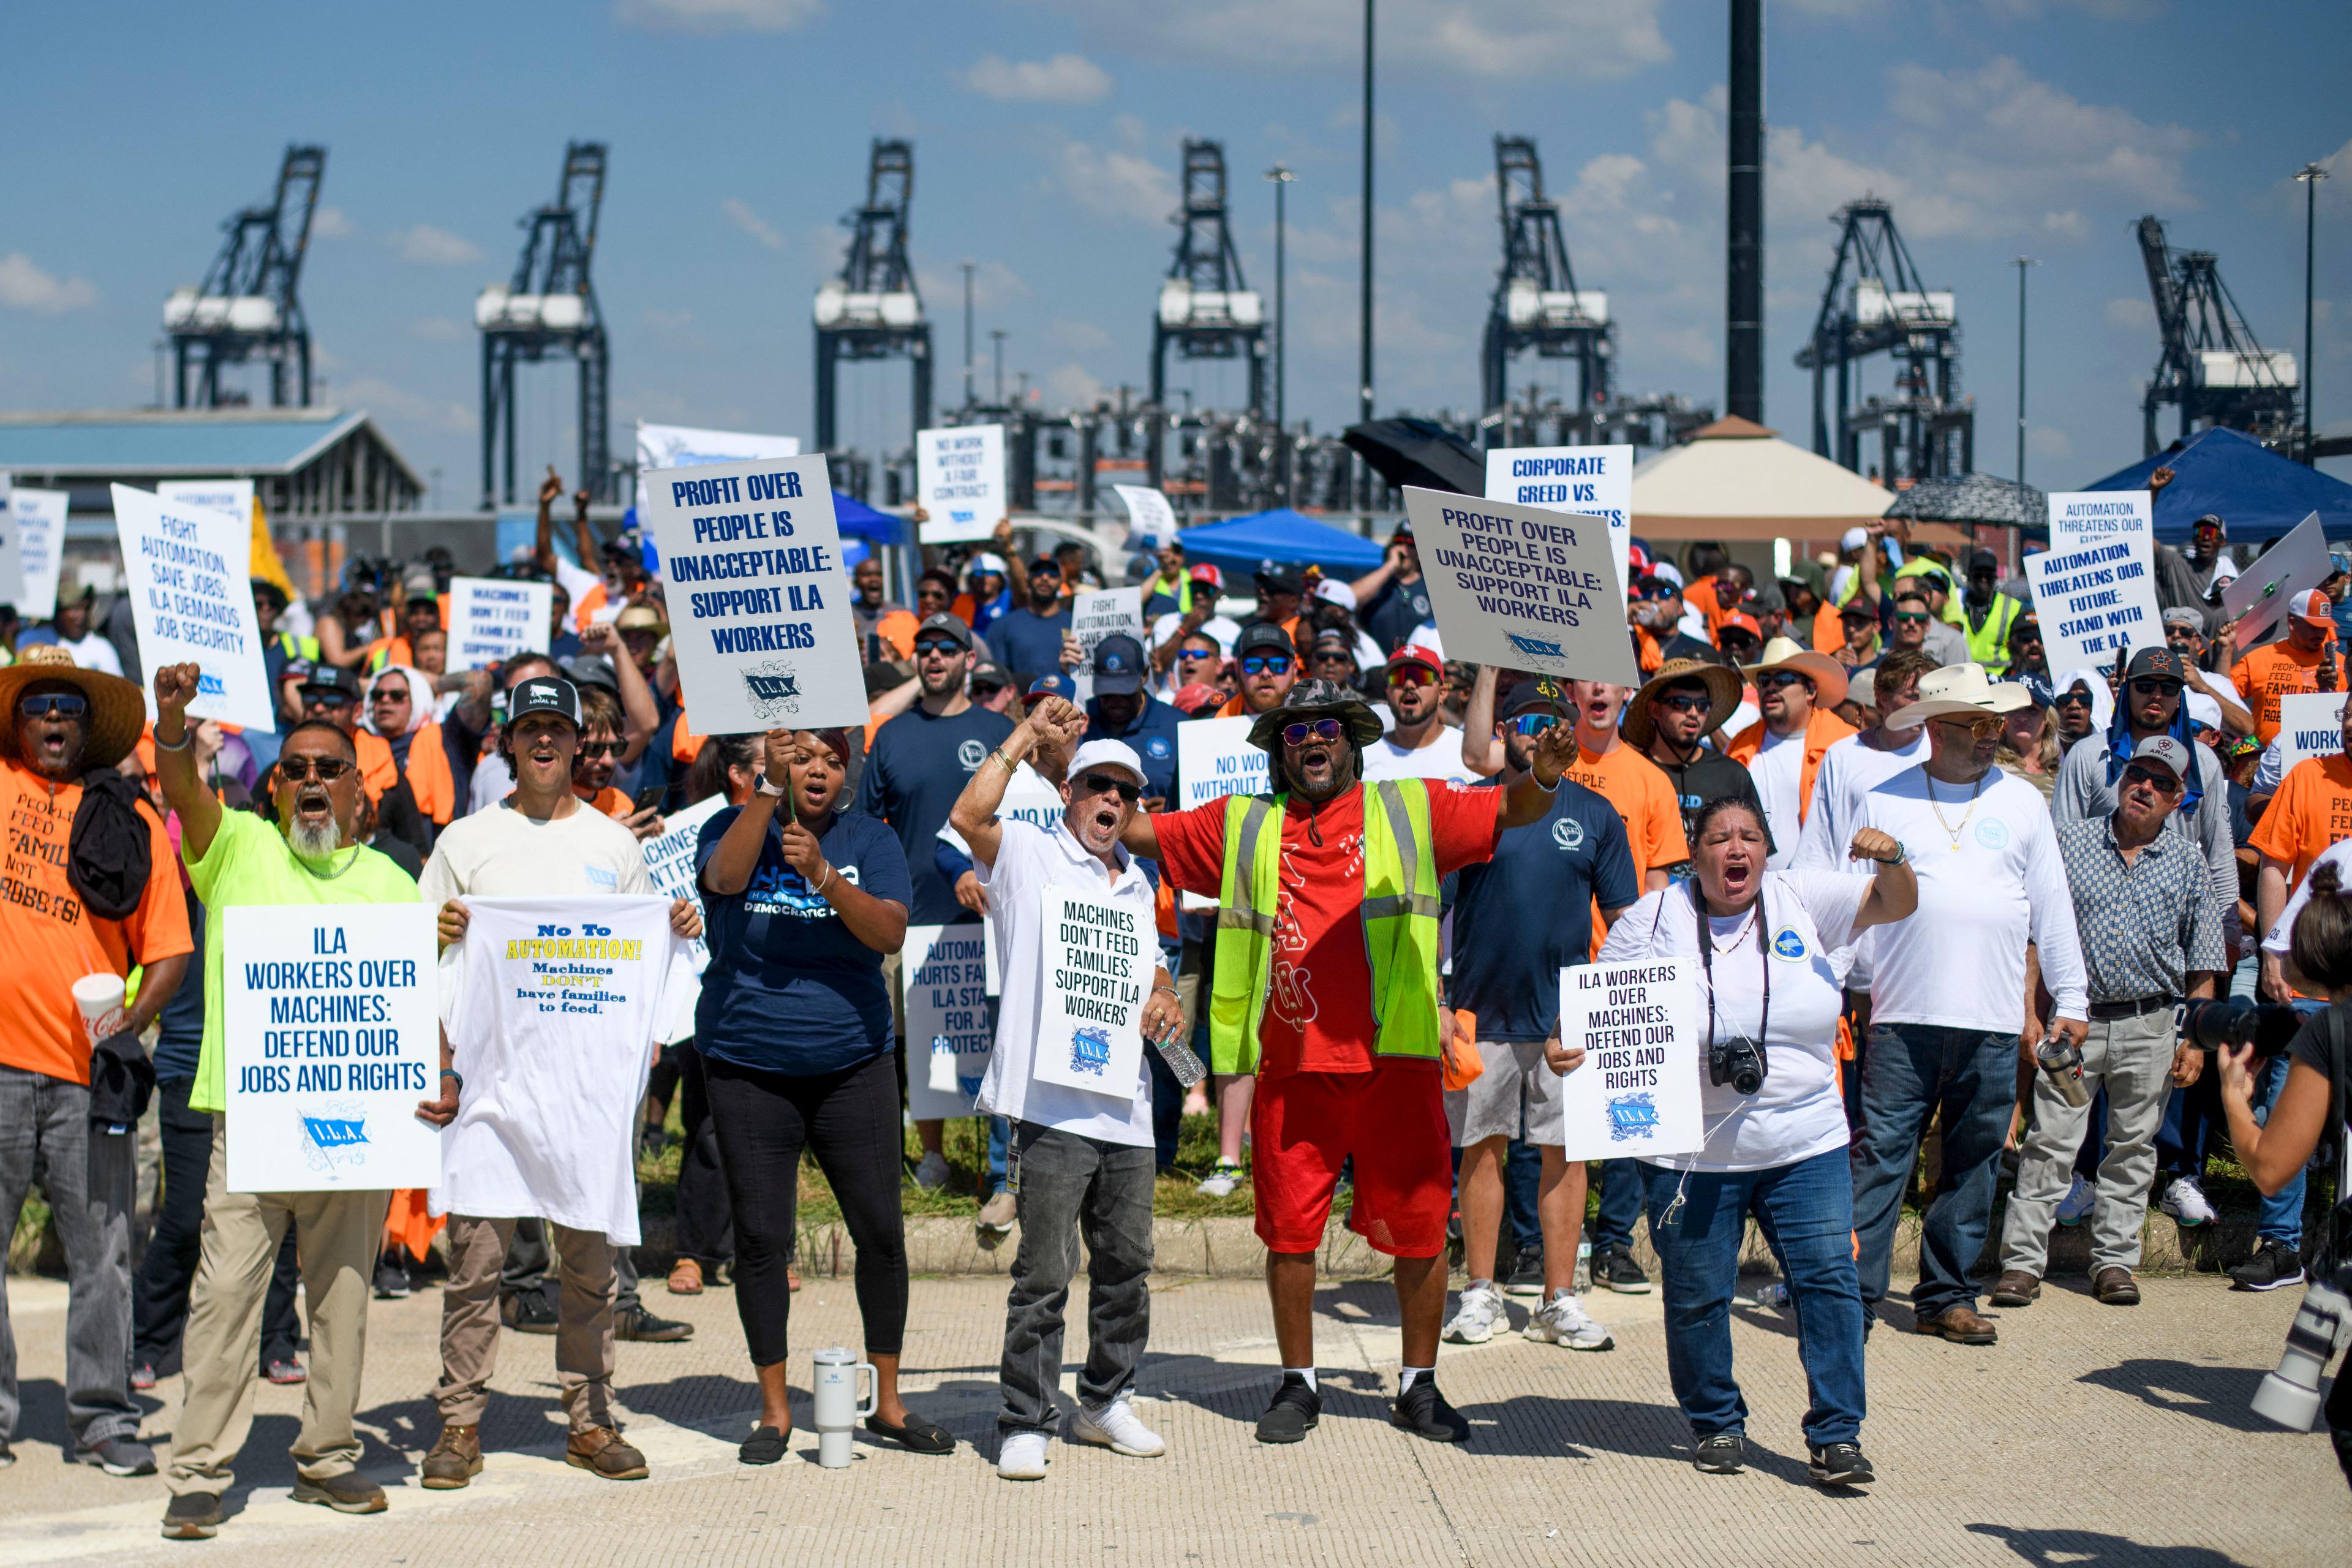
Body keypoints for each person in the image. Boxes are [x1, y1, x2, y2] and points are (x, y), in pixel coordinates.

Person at [1125, 679, 1577, 1446]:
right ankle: (1298, 1383)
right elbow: (1137, 835)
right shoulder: (1243, 822)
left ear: (1353, 739)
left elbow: (1513, 811)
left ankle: (1417, 1385)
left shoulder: (1409, 806)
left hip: (1395, 1064)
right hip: (1292, 1068)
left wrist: (1544, 776)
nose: (1312, 740)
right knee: (1290, 1234)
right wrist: (1060, 765)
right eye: (1296, 731)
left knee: (1423, 1229)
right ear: (1279, 750)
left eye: (1328, 726)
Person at [152, 662, 424, 1540]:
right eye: (297, 770)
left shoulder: (393, 882)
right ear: (274, 791)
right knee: (226, 1294)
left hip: (356, 1129)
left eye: (329, 769)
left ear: (359, 793)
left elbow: (414, 1003)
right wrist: (169, 724)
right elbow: (185, 795)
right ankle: (198, 1472)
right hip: (254, 1122)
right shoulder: (234, 846)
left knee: (341, 1299)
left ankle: (329, 1458)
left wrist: (433, 1079)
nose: (312, 780)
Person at [410, 676, 704, 1490]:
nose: (544, 741)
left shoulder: (615, 848)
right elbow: (412, 962)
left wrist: (677, 928)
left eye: (558, 729)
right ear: (508, 741)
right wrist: (434, 943)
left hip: (585, 1097)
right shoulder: (464, 843)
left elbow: (647, 961)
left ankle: (589, 1417)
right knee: (475, 1266)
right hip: (492, 1091)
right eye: (528, 728)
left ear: (581, 743)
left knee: (588, 1266)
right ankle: (459, 1423)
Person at [1586, 796, 1916, 1485]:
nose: (1735, 849)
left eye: (1749, 837)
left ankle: (1836, 1435)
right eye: (1718, 838)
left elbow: (1896, 902)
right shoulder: (1653, 918)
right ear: (1693, 851)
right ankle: (1715, 1423)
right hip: (1692, 1154)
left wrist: (1893, 857)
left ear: (1767, 850)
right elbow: (1600, 1025)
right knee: (1698, 1294)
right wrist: (1569, 1052)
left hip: (1807, 1139)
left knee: (1829, 1283)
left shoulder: (1802, 896)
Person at [698, 726, 953, 1464]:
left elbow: (889, 933)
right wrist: (769, 799)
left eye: (833, 760)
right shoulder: (730, 823)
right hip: (749, 1063)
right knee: (760, 1237)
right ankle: (775, 1411)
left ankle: (890, 1400)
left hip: (852, 1063)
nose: (819, 769)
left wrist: (824, 878)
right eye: (803, 755)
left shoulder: (869, 838)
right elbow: (723, 881)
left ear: (852, 772)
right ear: (776, 764)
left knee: (880, 1231)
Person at [949, 712, 1180, 1479]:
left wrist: (1165, 993)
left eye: (1126, 792)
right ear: (1070, 792)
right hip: (1051, 1107)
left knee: (1127, 1267)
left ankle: (1104, 1401)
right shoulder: (1027, 851)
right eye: (1098, 785)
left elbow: (1151, 966)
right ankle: (1026, 1417)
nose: (1112, 799)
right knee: (1045, 1272)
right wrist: (1021, 736)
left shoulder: (1138, 882)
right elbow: (967, 817)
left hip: (1128, 1106)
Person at [1847, 663, 2089, 1346]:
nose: (1994, 733)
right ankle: (1855, 1299)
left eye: (1995, 722)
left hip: (1990, 1020)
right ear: (1934, 729)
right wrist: (1830, 988)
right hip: (1901, 1017)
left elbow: (2052, 906)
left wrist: (2071, 996)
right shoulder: (1883, 796)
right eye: (1978, 723)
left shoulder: (2022, 801)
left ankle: (1945, 1295)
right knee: (1882, 1161)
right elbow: (1844, 904)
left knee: (1975, 1161)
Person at [0, 649, 192, 1477]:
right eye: (38, 704)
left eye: (68, 707)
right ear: (17, 720)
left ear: (86, 726)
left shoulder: (132, 816)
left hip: (91, 1073)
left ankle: (105, 1416)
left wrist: (129, 1026)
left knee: (104, 1251)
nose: (52, 718)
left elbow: (171, 949)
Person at [1441, 684, 1638, 1352]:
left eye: (1554, 721)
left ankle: (1559, 1300)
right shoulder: (1474, 804)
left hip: (1566, 1020)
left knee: (1565, 1155)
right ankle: (1479, 1292)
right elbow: (1429, 911)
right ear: (1503, 730)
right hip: (1479, 1010)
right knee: (1481, 1151)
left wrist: (1602, 1007)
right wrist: (1439, 1003)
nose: (1541, 733)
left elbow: (1626, 923)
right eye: (1527, 722)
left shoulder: (1597, 812)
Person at [1992, 736, 2222, 1311]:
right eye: (2137, 774)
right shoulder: (2069, 843)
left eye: (2161, 782)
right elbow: (2033, 937)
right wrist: (2028, 1012)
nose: (2145, 787)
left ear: (2178, 800)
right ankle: (2021, 1264)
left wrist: (2193, 1037)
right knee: (2050, 1142)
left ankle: (2115, 1261)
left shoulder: (2190, 861)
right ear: (2120, 779)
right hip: (2074, 1024)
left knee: (2133, 1147)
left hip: (2151, 1023)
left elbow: (2203, 959)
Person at [856, 611, 1017, 1190]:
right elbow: (868, 821)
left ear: (969, 660)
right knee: (924, 1037)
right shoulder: (893, 736)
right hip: (913, 912)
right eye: (925, 648)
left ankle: (1004, 1160)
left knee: (997, 1036)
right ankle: (933, 1153)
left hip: (993, 910)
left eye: (947, 649)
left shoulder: (998, 729)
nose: (933, 658)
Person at [1189, 622, 1300, 1197]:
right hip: (1230, 905)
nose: (1265, 673)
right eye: (1253, 663)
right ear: (1236, 670)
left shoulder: (1315, 726)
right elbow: (1203, 818)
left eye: (1276, 663)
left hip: (1303, 901)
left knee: (1296, 1027)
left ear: (1294, 669)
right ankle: (1227, 1156)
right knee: (1228, 1023)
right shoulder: (1212, 733)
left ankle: (1283, 1152)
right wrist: (1203, 885)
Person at [2054, 646, 2240, 959]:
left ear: (2179, 697)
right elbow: (2060, 852)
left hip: (2177, 932)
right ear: (2127, 689)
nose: (2156, 696)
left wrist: (2229, 930)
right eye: (2145, 686)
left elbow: (2219, 854)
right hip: (2098, 929)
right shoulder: (2087, 756)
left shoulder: (2204, 762)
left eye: (2168, 688)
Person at [1622, 658, 1763, 872]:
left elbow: (1758, 851)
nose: (1693, 713)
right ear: (1655, 710)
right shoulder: (1632, 773)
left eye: (1703, 705)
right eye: (1681, 703)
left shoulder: (1733, 775)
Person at [1726, 639, 1855, 870]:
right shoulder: (1739, 746)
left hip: (1820, 891)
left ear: (1811, 690)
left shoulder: (1846, 744)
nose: (1771, 688)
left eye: (1783, 680)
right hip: (1751, 894)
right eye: (1765, 681)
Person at [2230, 589, 2339, 744]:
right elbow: (2224, 693)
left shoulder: (2336, 665)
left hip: (2315, 760)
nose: (2321, 634)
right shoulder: (2259, 658)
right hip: (2263, 761)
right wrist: (2226, 650)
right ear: (2292, 623)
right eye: (2314, 627)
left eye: (2324, 627)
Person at [1362, 644, 1474, 783]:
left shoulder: (1468, 751)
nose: (1409, 685)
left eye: (1421, 676)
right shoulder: (1365, 756)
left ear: (1442, 694)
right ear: (1388, 694)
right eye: (1398, 678)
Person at [985, 556, 1077, 683]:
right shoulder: (1002, 627)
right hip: (1022, 701)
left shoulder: (1075, 625)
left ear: (1062, 580)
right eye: (1038, 572)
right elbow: (997, 679)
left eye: (1052, 573)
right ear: (1027, 577)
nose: (1045, 578)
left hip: (1065, 700)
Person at [1349, 526, 1433, 655]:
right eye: (1399, 541)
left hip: (1419, 667)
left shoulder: (1429, 587)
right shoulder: (1378, 582)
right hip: (1379, 667)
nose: (1403, 549)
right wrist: (1390, 566)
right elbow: (1348, 598)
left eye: (1411, 544)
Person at [1961, 549, 2024, 672]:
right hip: (1964, 677)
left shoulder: (2012, 607)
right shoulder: (1958, 601)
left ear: (1995, 578)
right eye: (1978, 576)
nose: (1983, 580)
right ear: (1969, 577)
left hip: (2000, 679)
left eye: (1988, 576)